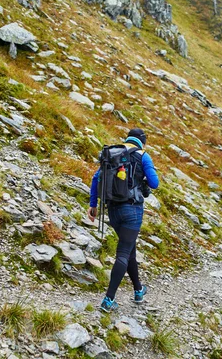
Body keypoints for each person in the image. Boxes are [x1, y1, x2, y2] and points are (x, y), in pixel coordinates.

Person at [87, 128, 160, 312]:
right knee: (123, 253)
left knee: (129, 250)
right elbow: (154, 183)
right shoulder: (143, 155)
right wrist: (142, 179)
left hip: (113, 210)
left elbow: (96, 178)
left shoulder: (113, 153)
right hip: (132, 210)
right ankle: (108, 300)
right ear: (142, 141)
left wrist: (93, 204)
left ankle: (138, 290)